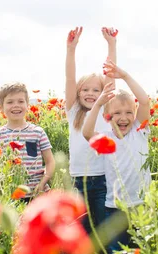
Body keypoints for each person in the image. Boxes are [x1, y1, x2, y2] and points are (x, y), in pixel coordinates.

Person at [82, 60, 151, 254]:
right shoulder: (106, 138)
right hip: (115, 206)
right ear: (107, 117)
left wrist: (125, 76)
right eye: (117, 114)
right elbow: (86, 132)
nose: (123, 118)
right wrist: (99, 102)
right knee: (117, 251)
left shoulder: (140, 132)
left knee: (140, 249)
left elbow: (145, 101)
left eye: (128, 113)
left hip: (141, 203)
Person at [65, 26, 118, 234]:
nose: (90, 94)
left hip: (104, 178)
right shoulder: (73, 110)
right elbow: (70, 79)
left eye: (96, 90)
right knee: (80, 229)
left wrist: (111, 45)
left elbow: (110, 77)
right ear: (78, 94)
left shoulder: (105, 108)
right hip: (79, 180)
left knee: (104, 228)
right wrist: (71, 49)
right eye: (85, 90)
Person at [0, 82, 55, 203]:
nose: (16, 105)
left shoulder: (38, 132)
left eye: (20, 101)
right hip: (11, 195)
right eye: (10, 102)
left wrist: (43, 183)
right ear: (1, 107)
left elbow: (50, 161)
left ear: (27, 105)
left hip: (37, 193)